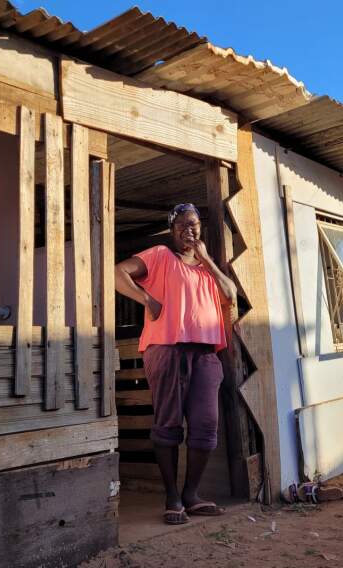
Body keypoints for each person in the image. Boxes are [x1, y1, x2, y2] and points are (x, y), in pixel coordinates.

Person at [114, 203, 237, 525]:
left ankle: (191, 495)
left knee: (206, 426)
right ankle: (172, 497)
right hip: (168, 349)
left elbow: (231, 294)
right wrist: (146, 300)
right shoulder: (160, 256)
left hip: (206, 353)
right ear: (172, 231)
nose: (189, 231)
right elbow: (118, 272)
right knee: (168, 424)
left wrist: (207, 259)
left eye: (194, 225)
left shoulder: (208, 271)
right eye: (182, 226)